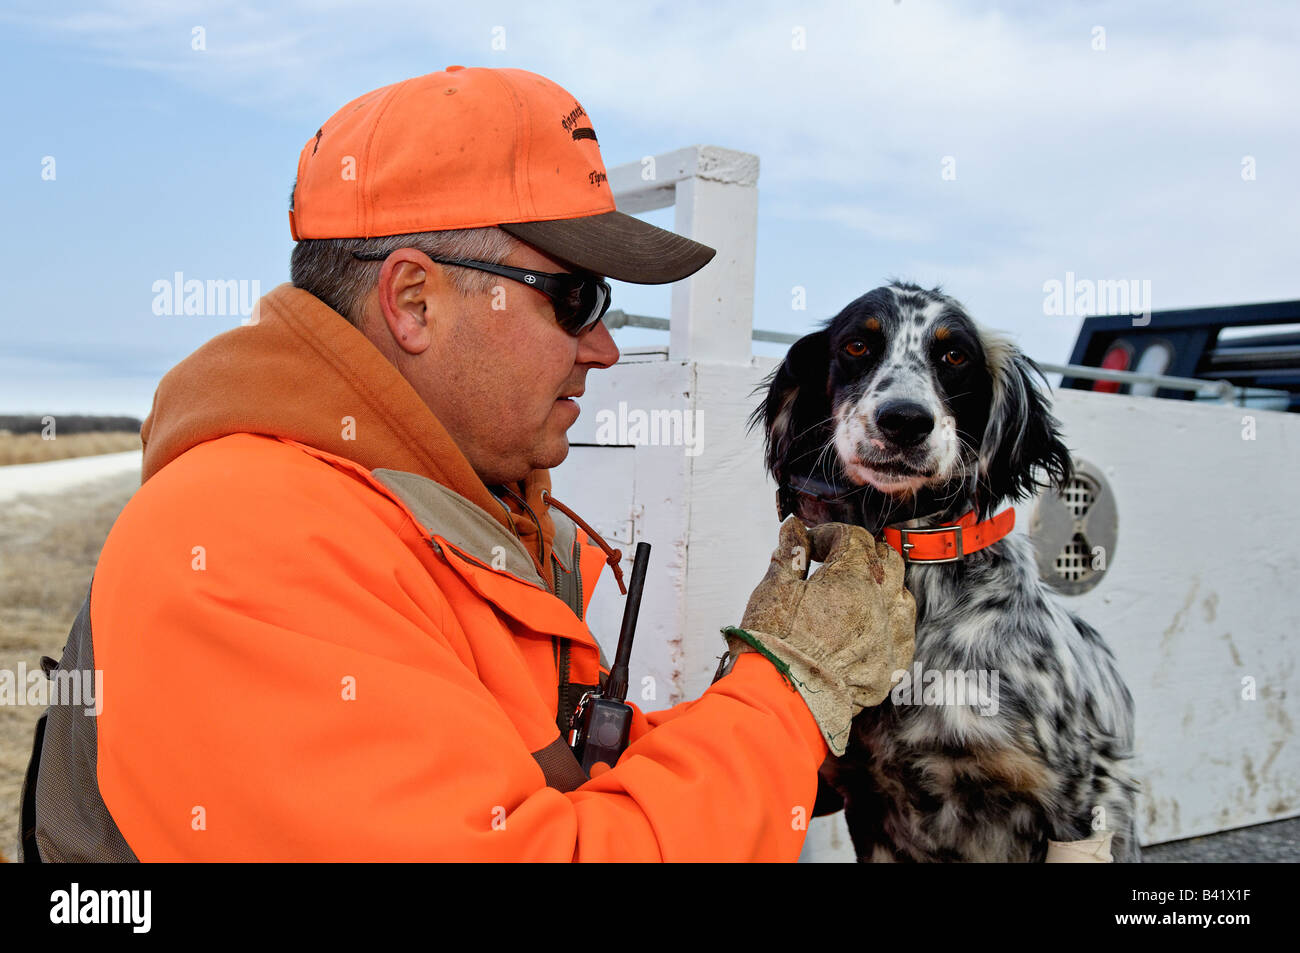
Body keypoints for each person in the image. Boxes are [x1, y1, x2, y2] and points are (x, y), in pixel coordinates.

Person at [20, 67, 914, 862]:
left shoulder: (442, 511)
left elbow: (558, 774)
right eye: (576, 297)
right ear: (414, 299)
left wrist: (797, 740)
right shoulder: (247, 542)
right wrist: (785, 691)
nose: (603, 347)